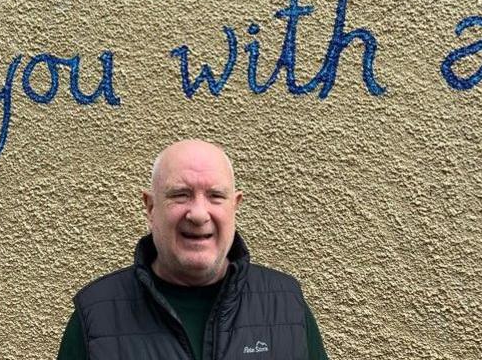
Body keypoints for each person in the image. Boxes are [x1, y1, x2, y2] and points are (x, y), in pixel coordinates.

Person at [57, 139, 328, 359]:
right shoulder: (95, 318)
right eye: (180, 195)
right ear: (151, 207)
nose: (198, 214)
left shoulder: (287, 309)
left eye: (215, 196)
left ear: (235, 206)